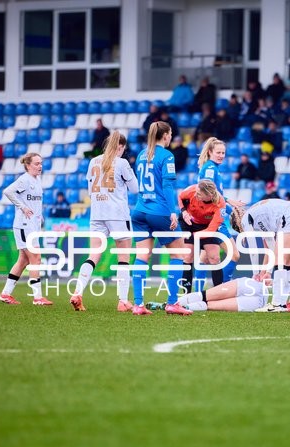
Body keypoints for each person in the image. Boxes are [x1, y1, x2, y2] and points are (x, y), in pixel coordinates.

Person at [70, 132, 138, 312]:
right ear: (120, 147)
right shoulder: (122, 163)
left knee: (93, 255)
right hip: (117, 214)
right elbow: (135, 189)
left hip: (97, 213)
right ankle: (123, 300)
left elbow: (90, 190)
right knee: (123, 256)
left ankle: (77, 292)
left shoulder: (94, 161)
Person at [130, 121, 191, 316]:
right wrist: (173, 211)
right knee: (178, 255)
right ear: (165, 136)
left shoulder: (141, 155)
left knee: (141, 257)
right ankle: (172, 303)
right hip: (159, 211)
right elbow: (167, 186)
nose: (171, 137)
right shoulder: (167, 156)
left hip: (139, 211)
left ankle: (138, 305)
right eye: (170, 133)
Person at [230, 199, 290, 312]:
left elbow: (254, 249)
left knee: (281, 261)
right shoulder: (259, 214)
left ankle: (278, 304)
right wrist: (267, 272)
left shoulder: (245, 220)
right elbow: (271, 247)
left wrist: (256, 274)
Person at [0, 152, 52, 306]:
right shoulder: (24, 179)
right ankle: (38, 298)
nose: (40, 166)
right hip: (24, 225)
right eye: (36, 163)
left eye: (41, 163)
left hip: (32, 225)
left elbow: (35, 201)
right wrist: (22, 207)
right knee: (36, 258)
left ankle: (5, 294)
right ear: (28, 165)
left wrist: (39, 216)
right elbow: (8, 191)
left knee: (23, 260)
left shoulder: (37, 179)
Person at [196, 137, 243, 286]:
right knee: (234, 255)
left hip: (210, 217)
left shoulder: (213, 168)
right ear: (210, 152)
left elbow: (215, 195)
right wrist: (231, 210)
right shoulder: (210, 169)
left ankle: (197, 291)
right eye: (218, 152)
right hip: (214, 219)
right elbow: (210, 194)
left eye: (223, 152)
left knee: (204, 258)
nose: (221, 155)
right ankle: (223, 287)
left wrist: (229, 205)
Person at [178, 179, 227, 291]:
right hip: (188, 223)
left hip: (208, 227)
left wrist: (193, 236)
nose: (196, 195)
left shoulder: (220, 204)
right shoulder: (193, 190)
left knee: (214, 258)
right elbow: (180, 197)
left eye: (199, 194)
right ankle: (187, 295)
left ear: (209, 195)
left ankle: (218, 295)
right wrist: (184, 211)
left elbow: (211, 230)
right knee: (188, 257)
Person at [177, 277, 269, 312]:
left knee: (210, 304)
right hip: (252, 283)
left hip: (261, 300)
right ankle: (173, 304)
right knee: (204, 295)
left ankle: (183, 308)